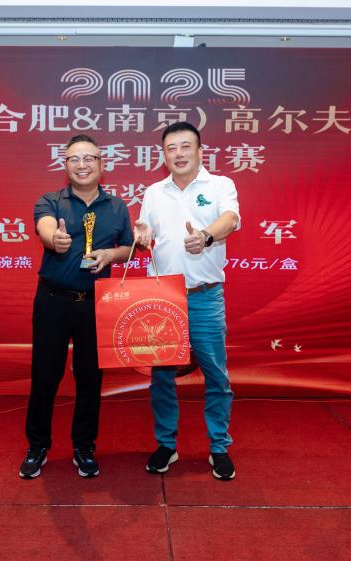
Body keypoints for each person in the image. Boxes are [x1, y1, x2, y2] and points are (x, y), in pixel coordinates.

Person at [20, 134, 134, 479]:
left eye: (89, 158)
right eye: (74, 159)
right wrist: (54, 239)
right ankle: (37, 446)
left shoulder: (117, 207)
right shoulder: (50, 201)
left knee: (90, 378)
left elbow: (129, 248)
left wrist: (110, 254)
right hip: (53, 301)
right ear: (65, 164)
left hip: (96, 304)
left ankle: (84, 447)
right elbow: (44, 228)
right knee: (45, 375)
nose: (82, 165)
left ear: (101, 164)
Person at [134, 121, 240, 481]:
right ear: (163, 155)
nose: (178, 154)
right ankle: (166, 444)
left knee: (216, 376)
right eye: (171, 148)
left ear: (199, 151)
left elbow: (230, 219)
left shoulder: (220, 185)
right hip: (163, 298)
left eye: (185, 146)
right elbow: (146, 234)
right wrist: (142, 235)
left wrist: (206, 236)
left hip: (204, 297)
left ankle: (219, 447)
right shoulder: (154, 192)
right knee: (162, 377)